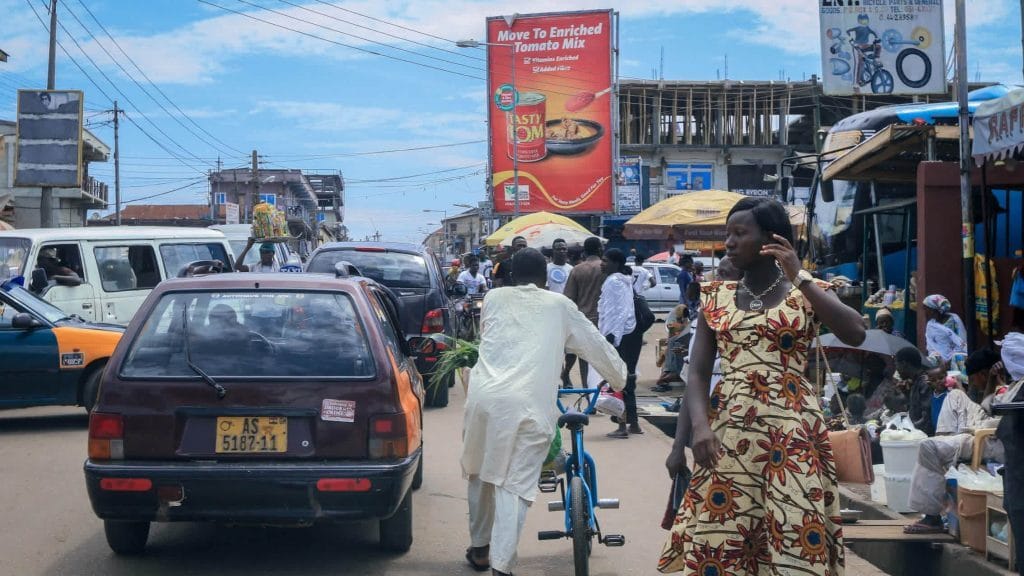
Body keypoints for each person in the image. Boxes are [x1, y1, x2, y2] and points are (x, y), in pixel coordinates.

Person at [660, 197, 865, 575]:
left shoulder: (807, 290)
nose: (730, 242)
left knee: (795, 528)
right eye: (728, 234)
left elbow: (854, 331)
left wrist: (799, 275)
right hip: (729, 436)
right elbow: (698, 374)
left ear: (771, 239)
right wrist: (698, 430)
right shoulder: (714, 298)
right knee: (723, 535)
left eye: (740, 233)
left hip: (792, 435)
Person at [462, 248, 627, 576]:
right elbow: (594, 346)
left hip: (483, 399)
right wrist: (619, 376)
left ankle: (480, 549)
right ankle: (501, 565)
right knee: (514, 483)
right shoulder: (558, 305)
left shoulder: (493, 298)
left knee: (481, 471)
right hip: (527, 404)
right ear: (545, 279)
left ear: (510, 277)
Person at [904, 362, 1006, 534]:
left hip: (991, 436)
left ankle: (932, 517)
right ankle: (946, 441)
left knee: (929, 447)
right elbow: (985, 408)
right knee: (956, 395)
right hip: (982, 423)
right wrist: (996, 382)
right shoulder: (1012, 385)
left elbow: (996, 414)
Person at [599, 248, 642, 438]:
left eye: (605, 260)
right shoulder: (624, 281)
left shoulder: (613, 282)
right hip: (630, 334)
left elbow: (616, 312)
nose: (602, 263)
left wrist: (611, 337)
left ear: (615, 263)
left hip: (620, 335)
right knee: (629, 378)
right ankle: (634, 424)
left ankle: (622, 426)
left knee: (618, 379)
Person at [562, 237, 606, 387]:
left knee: (585, 361)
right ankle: (602, 395)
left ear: (584, 252)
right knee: (605, 360)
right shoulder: (607, 269)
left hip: (583, 321)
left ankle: (588, 398)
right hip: (605, 322)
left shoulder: (577, 270)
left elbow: (569, 299)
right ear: (600, 250)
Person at [923, 294, 968, 374]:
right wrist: (939, 358)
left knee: (958, 358)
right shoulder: (930, 325)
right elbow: (931, 346)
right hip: (938, 356)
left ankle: (960, 383)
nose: (925, 312)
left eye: (926, 309)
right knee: (923, 362)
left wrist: (949, 358)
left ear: (933, 309)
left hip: (956, 354)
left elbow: (962, 342)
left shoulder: (954, 319)